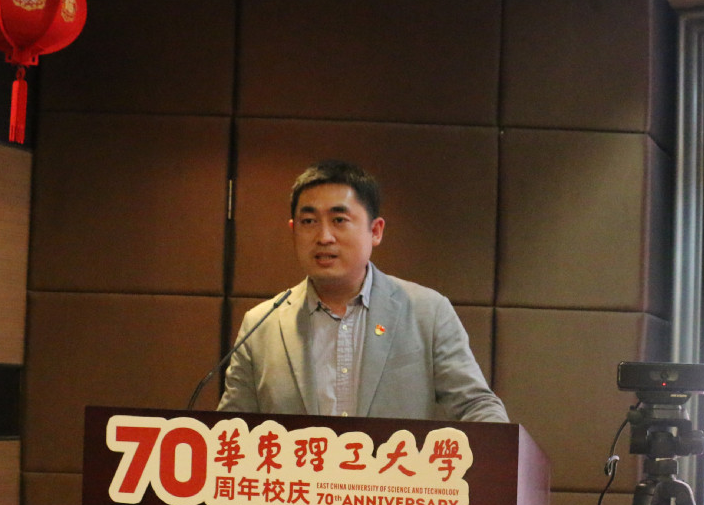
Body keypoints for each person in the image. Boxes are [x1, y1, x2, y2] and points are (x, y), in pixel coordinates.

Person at [217, 160, 508, 423]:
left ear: (376, 231)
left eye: (339, 220)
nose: (324, 237)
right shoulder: (261, 324)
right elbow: (230, 430)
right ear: (293, 230)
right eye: (309, 222)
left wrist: (498, 451)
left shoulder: (427, 312)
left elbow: (475, 404)